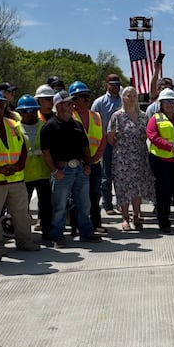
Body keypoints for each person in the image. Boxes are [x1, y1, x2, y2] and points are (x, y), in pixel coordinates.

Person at [0, 88, 39, 254]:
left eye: (2, 105)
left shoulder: (11, 124)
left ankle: (25, 241)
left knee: (21, 213)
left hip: (16, 176)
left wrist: (18, 166)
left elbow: (23, 148)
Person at [41, 91, 102, 247]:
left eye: (71, 103)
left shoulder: (77, 125)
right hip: (62, 171)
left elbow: (85, 148)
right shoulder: (49, 127)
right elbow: (46, 153)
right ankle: (57, 236)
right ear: (58, 106)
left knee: (84, 203)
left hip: (80, 169)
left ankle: (86, 232)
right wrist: (54, 171)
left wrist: (88, 165)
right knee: (60, 206)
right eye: (68, 103)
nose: (71, 106)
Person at [107, 86, 154, 231]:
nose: (132, 98)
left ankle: (137, 214)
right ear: (123, 97)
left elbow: (149, 134)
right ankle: (125, 218)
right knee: (123, 187)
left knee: (138, 187)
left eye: (134, 95)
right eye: (128, 95)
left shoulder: (143, 116)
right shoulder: (117, 116)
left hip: (140, 155)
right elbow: (110, 137)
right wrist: (123, 147)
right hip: (122, 157)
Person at [146, 88, 174, 233]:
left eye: (172, 102)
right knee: (163, 193)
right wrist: (171, 147)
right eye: (166, 102)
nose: (169, 105)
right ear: (161, 104)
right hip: (161, 161)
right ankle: (163, 222)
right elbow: (152, 136)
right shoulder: (155, 118)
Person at [69, 81, 106, 230]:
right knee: (75, 196)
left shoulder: (96, 116)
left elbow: (102, 140)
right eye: (82, 96)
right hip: (76, 164)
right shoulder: (69, 117)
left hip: (94, 163)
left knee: (94, 195)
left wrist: (93, 159)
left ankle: (96, 224)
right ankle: (75, 226)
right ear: (73, 99)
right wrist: (84, 161)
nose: (86, 99)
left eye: (87, 96)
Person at [17, 94, 53, 244]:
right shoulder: (15, 128)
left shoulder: (44, 126)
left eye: (33, 110)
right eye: (26, 111)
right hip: (24, 175)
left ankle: (47, 233)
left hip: (43, 173)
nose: (30, 113)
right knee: (21, 209)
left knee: (46, 206)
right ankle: (25, 236)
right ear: (20, 112)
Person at [91, 74, 123, 214]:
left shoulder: (124, 100)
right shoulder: (99, 102)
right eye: (112, 84)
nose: (115, 86)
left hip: (123, 143)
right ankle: (108, 204)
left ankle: (122, 204)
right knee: (106, 175)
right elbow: (93, 122)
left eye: (117, 84)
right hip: (105, 143)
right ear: (107, 84)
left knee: (123, 174)